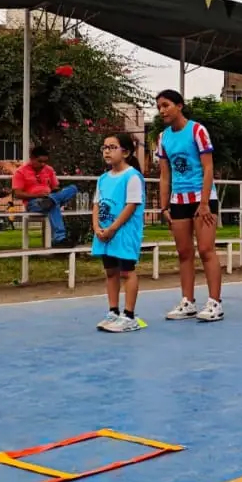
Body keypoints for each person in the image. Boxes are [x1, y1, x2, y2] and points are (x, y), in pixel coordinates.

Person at [154, 90, 224, 322]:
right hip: (179, 200)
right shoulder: (163, 137)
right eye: (159, 107)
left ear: (179, 106)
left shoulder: (197, 130)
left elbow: (208, 168)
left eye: (166, 105)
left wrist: (204, 203)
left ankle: (215, 302)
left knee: (206, 250)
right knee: (184, 253)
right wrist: (164, 207)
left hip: (202, 197)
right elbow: (165, 174)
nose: (162, 110)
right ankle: (188, 301)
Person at [93, 132, 147, 334]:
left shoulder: (132, 176)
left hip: (123, 233)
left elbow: (131, 205)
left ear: (125, 152)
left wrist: (113, 228)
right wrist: (97, 227)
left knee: (126, 271)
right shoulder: (103, 179)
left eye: (112, 147)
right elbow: (96, 205)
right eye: (105, 147)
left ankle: (129, 315)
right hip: (105, 233)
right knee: (110, 271)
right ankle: (113, 311)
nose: (107, 151)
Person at [11, 144, 79, 247]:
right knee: (53, 204)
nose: (43, 164)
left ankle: (50, 201)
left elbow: (55, 187)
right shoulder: (20, 172)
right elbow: (17, 194)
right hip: (33, 203)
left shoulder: (49, 170)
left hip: (49, 197)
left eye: (45, 162)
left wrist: (55, 193)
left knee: (73, 188)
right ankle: (60, 239)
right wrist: (37, 195)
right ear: (32, 158)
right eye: (40, 161)